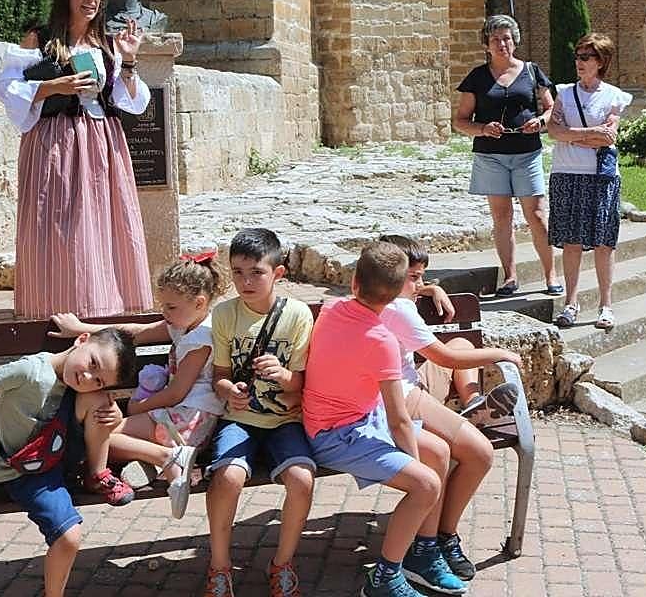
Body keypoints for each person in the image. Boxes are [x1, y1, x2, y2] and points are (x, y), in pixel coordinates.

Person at [0, 0, 152, 319]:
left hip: (102, 142)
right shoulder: (40, 39)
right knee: (58, 223)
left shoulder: (106, 44)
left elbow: (132, 101)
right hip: (55, 141)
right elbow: (6, 87)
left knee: (103, 222)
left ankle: (104, 307)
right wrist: (53, 87)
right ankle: (54, 306)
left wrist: (129, 60)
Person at [303, 242, 460, 597]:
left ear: (354, 282)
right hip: (334, 434)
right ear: (396, 294)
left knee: (439, 452)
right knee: (426, 484)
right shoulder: (381, 340)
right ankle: (385, 578)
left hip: (362, 420)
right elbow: (398, 419)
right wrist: (415, 471)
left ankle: (423, 552)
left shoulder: (331, 308)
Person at [0, 329, 138, 597]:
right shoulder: (29, 371)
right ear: (82, 340)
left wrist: (112, 415)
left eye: (99, 380)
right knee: (69, 537)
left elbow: (93, 404)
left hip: (59, 456)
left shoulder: (79, 385)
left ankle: (97, 475)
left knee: (101, 402)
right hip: (26, 471)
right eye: (92, 363)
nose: (87, 377)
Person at [376, 235, 523, 581]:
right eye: (413, 277)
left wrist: (429, 289)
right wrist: (500, 354)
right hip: (400, 396)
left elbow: (443, 351)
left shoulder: (385, 298)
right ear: (392, 276)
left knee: (460, 340)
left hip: (413, 381)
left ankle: (473, 404)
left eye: (422, 277)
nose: (419, 285)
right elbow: (445, 358)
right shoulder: (399, 308)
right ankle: (442, 537)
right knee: (480, 453)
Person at [46, 251, 229, 519]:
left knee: (100, 439)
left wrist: (136, 407)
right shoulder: (183, 322)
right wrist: (80, 328)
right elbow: (135, 332)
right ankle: (158, 460)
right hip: (176, 417)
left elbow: (177, 393)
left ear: (199, 303)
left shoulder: (202, 338)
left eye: (170, 307)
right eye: (163, 305)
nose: (164, 313)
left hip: (188, 420)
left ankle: (169, 459)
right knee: (99, 440)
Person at [204, 229, 317, 597]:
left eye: (256, 273)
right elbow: (219, 376)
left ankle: (282, 563)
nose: (246, 282)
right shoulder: (224, 314)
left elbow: (299, 383)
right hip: (239, 419)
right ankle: (219, 567)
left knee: (302, 480)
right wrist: (229, 391)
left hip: (285, 419)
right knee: (228, 478)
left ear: (277, 273)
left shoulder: (297, 315)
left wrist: (282, 375)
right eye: (238, 272)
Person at [454, 14, 562, 298]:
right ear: (486, 44)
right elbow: (460, 121)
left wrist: (540, 122)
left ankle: (551, 274)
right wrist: (483, 129)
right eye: (495, 39)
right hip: (491, 156)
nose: (502, 44)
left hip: (527, 154)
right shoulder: (477, 77)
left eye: (506, 38)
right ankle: (510, 277)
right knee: (502, 217)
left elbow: (552, 109)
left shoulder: (532, 71)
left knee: (536, 216)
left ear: (515, 41)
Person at [545, 33, 633, 329]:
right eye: (577, 57)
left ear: (601, 61)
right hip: (566, 172)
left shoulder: (614, 96)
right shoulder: (564, 93)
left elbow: (609, 137)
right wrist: (588, 134)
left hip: (601, 176)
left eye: (586, 57)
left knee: (603, 242)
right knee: (571, 241)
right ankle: (570, 303)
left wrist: (571, 135)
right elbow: (553, 131)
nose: (579, 62)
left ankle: (605, 305)